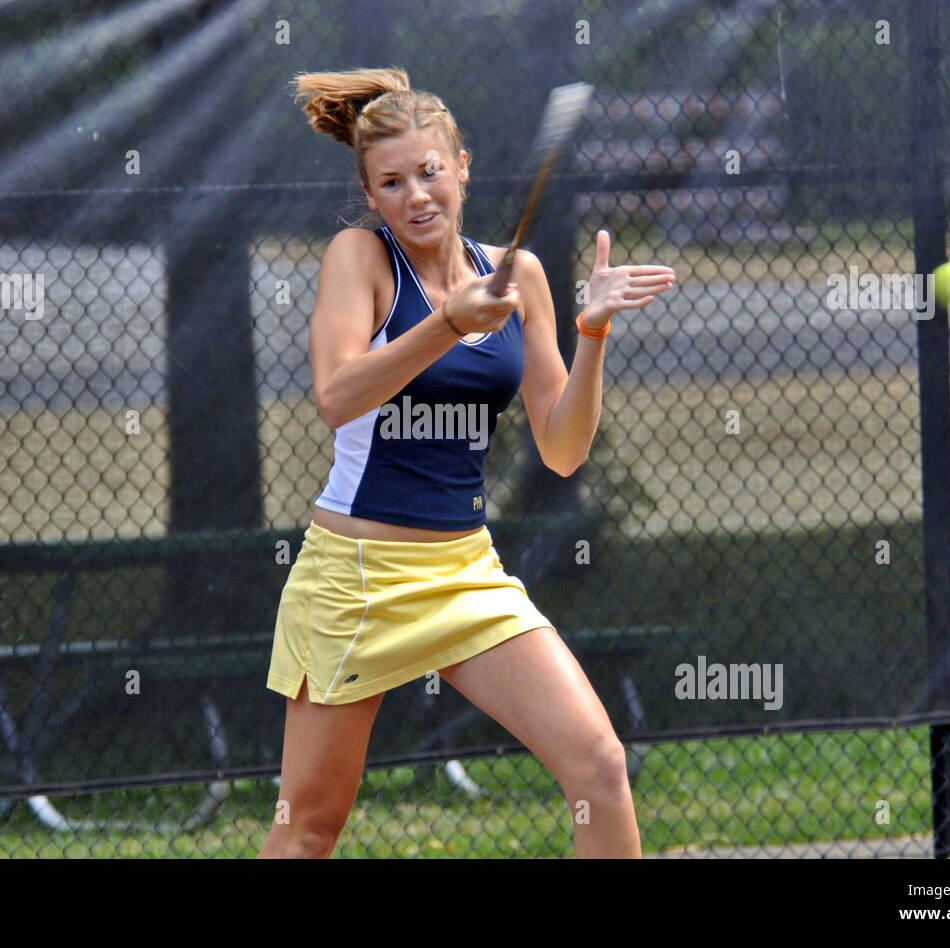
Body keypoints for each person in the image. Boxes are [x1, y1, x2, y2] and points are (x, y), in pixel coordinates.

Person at [259, 67, 675, 859]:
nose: (416, 195)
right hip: (356, 579)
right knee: (307, 828)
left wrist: (592, 335)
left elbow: (562, 448)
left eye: (429, 172)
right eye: (392, 182)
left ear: (462, 169)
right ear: (370, 193)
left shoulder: (520, 279)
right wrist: (449, 321)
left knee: (600, 768)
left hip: (466, 573)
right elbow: (337, 396)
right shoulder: (360, 259)